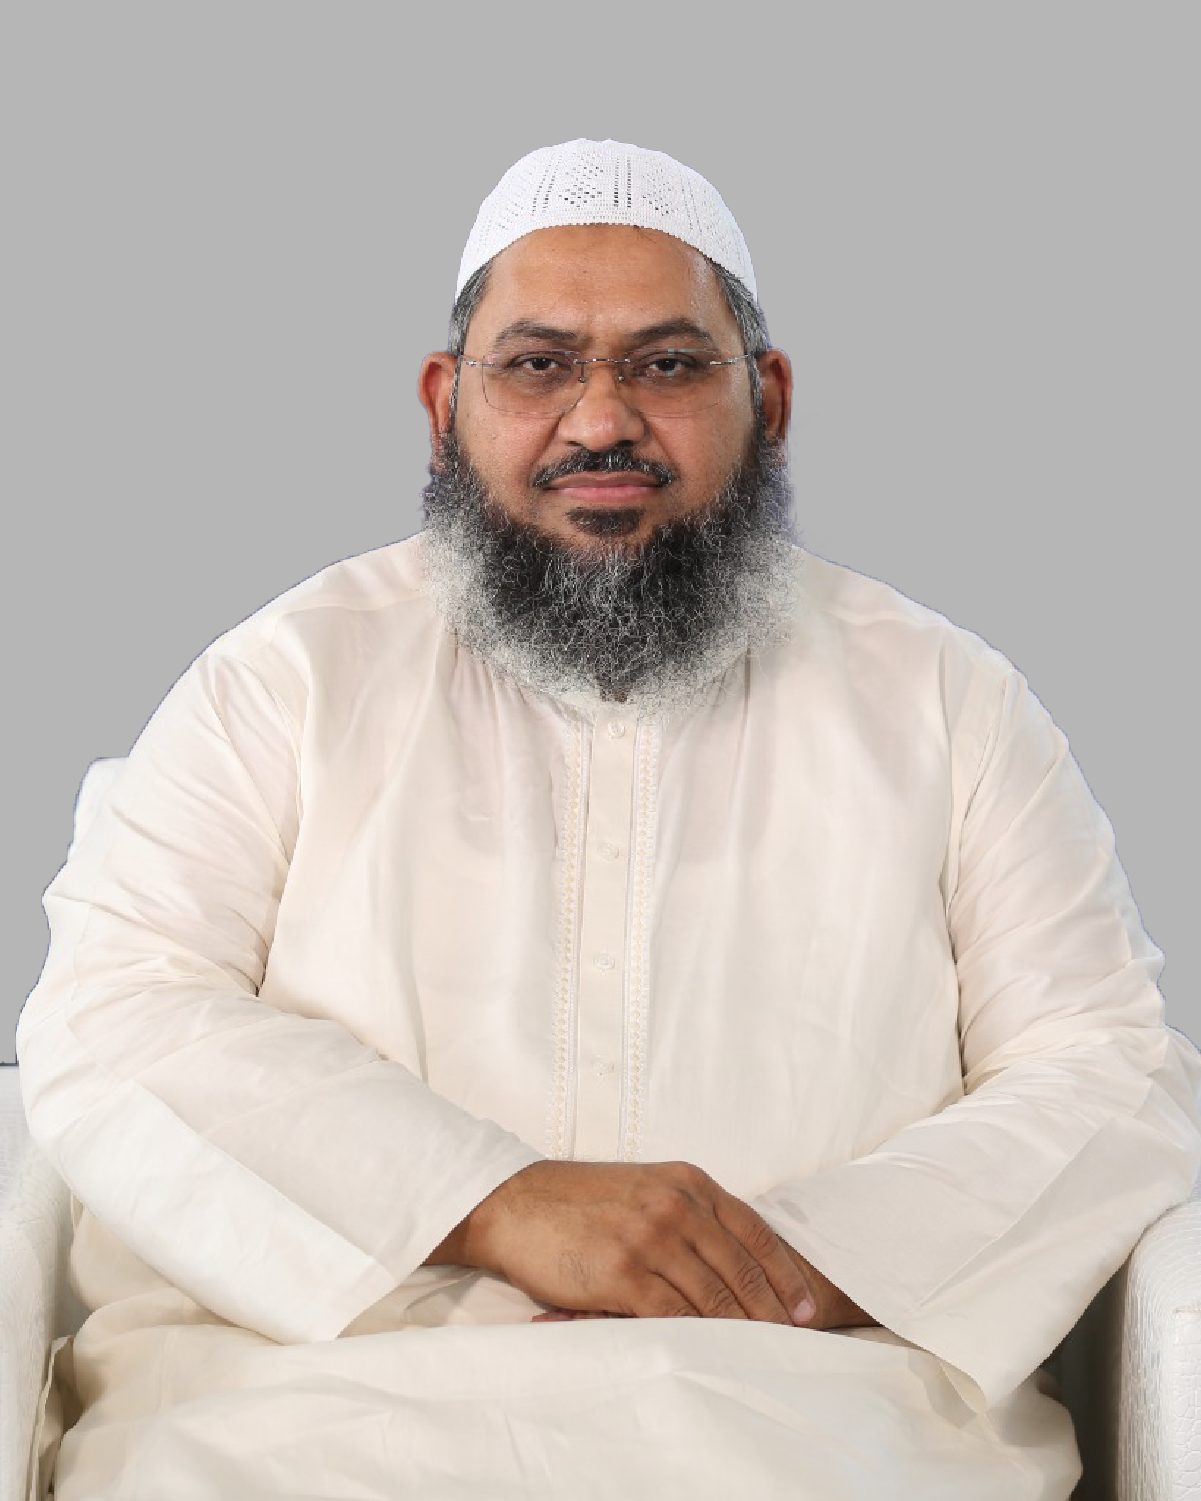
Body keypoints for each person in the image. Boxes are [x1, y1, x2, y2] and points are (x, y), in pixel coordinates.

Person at [18, 138, 1201, 1500]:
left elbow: (1109, 1063)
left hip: (811, 1409)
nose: (599, 422)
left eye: (667, 364)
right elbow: (112, 1013)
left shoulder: (947, 700)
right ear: (444, 403)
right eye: (537, 365)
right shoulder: (286, 679)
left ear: (769, 399)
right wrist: (496, 1202)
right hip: (307, 1406)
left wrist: (810, 1259)